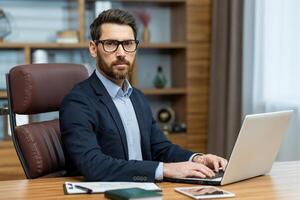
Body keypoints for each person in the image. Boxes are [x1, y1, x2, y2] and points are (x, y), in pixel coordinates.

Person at [60, 8, 227, 182]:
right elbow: (93, 165)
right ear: (93, 48)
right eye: (110, 44)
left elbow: (160, 148)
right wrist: (164, 169)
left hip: (149, 190)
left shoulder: (137, 97)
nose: (121, 53)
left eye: (128, 44)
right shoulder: (77, 102)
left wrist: (198, 159)